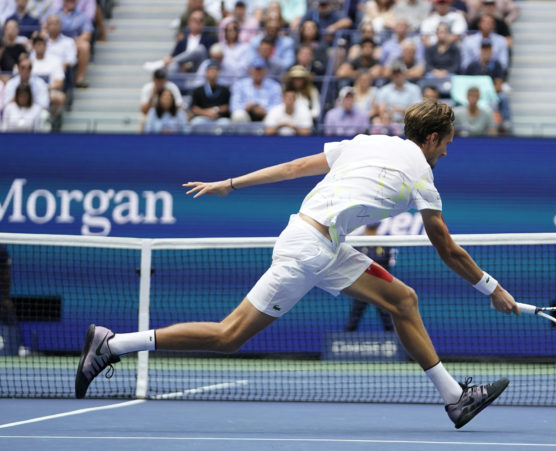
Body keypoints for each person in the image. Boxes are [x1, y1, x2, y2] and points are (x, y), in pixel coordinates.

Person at [75, 100, 517, 429]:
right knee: (228, 337)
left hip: (324, 243)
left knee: (402, 300)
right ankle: (113, 344)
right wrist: (492, 288)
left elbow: (294, 167)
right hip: (309, 251)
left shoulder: (368, 142)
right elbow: (448, 249)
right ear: (433, 138)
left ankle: (455, 397)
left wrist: (231, 183)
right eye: (448, 144)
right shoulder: (422, 176)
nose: (447, 153)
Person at [344, 223, 395, 332]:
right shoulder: (357, 243)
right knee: (353, 319)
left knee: (388, 320)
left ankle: (395, 341)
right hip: (361, 288)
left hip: (380, 289)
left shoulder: (384, 244)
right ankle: (346, 340)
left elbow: (388, 266)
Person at [189, 61, 231, 128]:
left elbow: (227, 107)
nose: (213, 72)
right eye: (210, 70)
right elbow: (194, 108)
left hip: (219, 118)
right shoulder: (198, 90)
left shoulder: (225, 90)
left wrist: (216, 110)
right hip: (203, 117)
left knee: (226, 123)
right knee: (195, 122)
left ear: (218, 72)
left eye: (215, 70)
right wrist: (207, 113)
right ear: (206, 72)